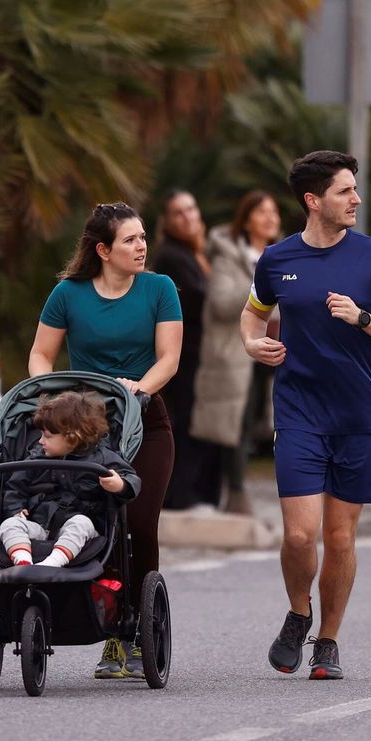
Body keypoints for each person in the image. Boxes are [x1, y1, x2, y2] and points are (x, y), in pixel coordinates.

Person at [241, 151, 371, 681]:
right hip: (298, 410)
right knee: (299, 534)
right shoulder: (277, 259)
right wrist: (254, 345)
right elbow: (253, 313)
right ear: (313, 201)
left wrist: (362, 318)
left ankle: (328, 641)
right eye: (345, 191)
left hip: (356, 413)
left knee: (339, 539)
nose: (356, 199)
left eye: (355, 190)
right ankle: (299, 611)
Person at [28, 203, 183, 679]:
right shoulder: (68, 294)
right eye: (130, 240)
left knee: (137, 519)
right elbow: (40, 354)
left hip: (144, 421)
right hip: (84, 426)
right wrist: (51, 394)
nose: (142, 247)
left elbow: (169, 358)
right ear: (103, 250)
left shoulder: (160, 289)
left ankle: (136, 630)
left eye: (142, 238)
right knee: (88, 520)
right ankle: (107, 632)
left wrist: (138, 387)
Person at [192, 190, 283, 514]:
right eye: (261, 212)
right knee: (236, 424)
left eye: (274, 211)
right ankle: (236, 493)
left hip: (278, 349)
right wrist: (262, 286)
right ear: (246, 221)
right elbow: (221, 304)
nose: (270, 218)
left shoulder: (283, 253)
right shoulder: (230, 255)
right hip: (236, 354)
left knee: (262, 420)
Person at [0, 390, 139, 568]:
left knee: (81, 524)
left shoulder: (103, 458)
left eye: (47, 436)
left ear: (74, 436)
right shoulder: (36, 458)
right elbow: (15, 485)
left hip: (81, 529)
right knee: (10, 524)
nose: (40, 441)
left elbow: (131, 478)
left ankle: (51, 565)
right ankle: (22, 560)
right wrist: (15, 509)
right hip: (41, 526)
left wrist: (120, 485)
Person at [151, 189, 218, 510]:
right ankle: (178, 496)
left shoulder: (196, 254)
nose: (188, 216)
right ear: (168, 221)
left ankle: (197, 493)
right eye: (179, 212)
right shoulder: (169, 257)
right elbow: (197, 300)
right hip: (184, 354)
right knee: (186, 424)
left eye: (191, 209)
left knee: (200, 424)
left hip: (203, 357)